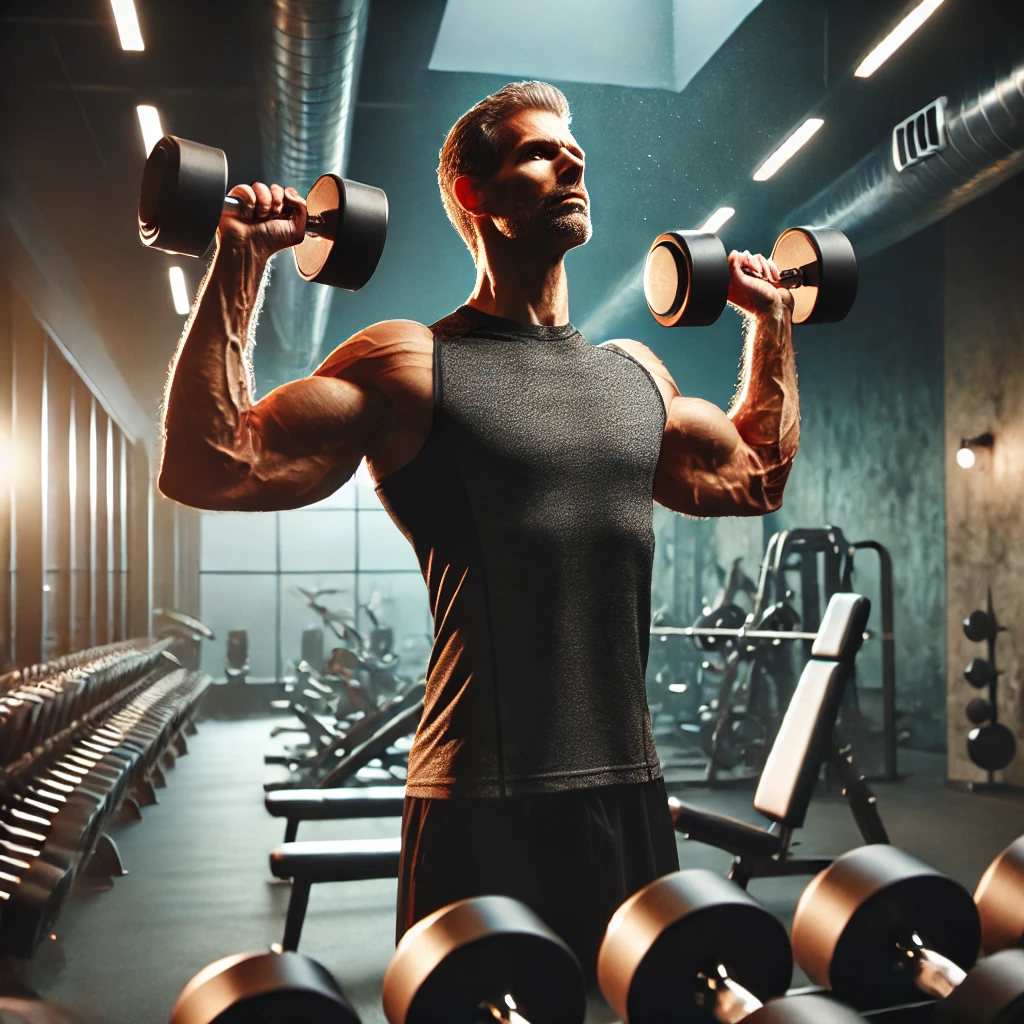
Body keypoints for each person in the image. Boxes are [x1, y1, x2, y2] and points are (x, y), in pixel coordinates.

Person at [159, 80, 798, 982]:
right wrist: (240, 259)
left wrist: (772, 325)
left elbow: (757, 476)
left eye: (574, 151)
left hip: (631, 794)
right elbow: (213, 463)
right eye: (540, 152)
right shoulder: (411, 365)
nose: (571, 160)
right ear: (476, 195)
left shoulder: (636, 377)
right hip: (479, 806)